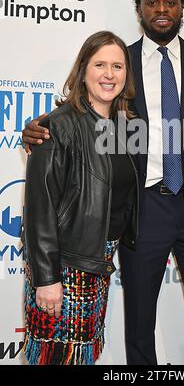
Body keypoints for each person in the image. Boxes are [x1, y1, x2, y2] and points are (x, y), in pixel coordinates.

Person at [22, 0, 184, 365]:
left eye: (170, 2)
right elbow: (86, 117)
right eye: (152, 1)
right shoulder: (120, 62)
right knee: (139, 322)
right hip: (142, 211)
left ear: (181, 8)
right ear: (139, 9)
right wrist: (36, 129)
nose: (161, 9)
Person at [21, 30, 138, 365]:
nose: (109, 74)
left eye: (117, 66)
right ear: (83, 70)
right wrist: (47, 279)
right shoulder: (57, 125)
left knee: (83, 355)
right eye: (100, 64)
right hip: (65, 262)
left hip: (98, 259)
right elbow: (40, 207)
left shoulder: (126, 126)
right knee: (58, 357)